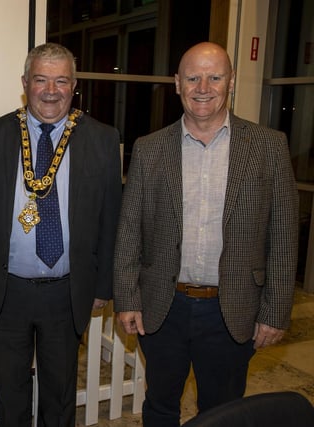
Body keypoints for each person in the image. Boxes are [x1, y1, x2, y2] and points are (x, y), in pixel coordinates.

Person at [113, 42, 299, 427]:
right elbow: (130, 229)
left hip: (231, 309)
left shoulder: (268, 146)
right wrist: (127, 298)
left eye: (214, 77)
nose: (203, 87)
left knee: (223, 412)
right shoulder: (149, 149)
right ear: (177, 84)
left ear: (230, 82)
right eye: (193, 77)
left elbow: (282, 236)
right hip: (163, 307)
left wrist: (275, 311)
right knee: (160, 404)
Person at [0, 42, 122, 426]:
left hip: (66, 293)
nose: (51, 90)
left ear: (74, 85)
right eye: (41, 80)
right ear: (25, 83)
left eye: (61, 80)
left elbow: (110, 219)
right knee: (11, 396)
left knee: (61, 395)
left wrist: (103, 286)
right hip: (7, 290)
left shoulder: (101, 138)